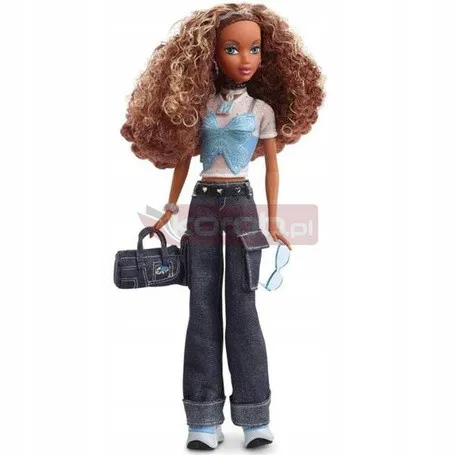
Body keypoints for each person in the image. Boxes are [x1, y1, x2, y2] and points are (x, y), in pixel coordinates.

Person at [120, 3, 325, 449]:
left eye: (254, 49)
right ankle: (203, 418)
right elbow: (182, 159)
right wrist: (169, 208)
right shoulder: (199, 105)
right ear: (210, 54)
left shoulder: (263, 110)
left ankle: (255, 416)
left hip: (242, 206)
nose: (245, 59)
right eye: (232, 49)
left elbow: (272, 168)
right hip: (203, 206)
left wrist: (274, 218)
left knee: (243, 306)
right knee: (202, 306)